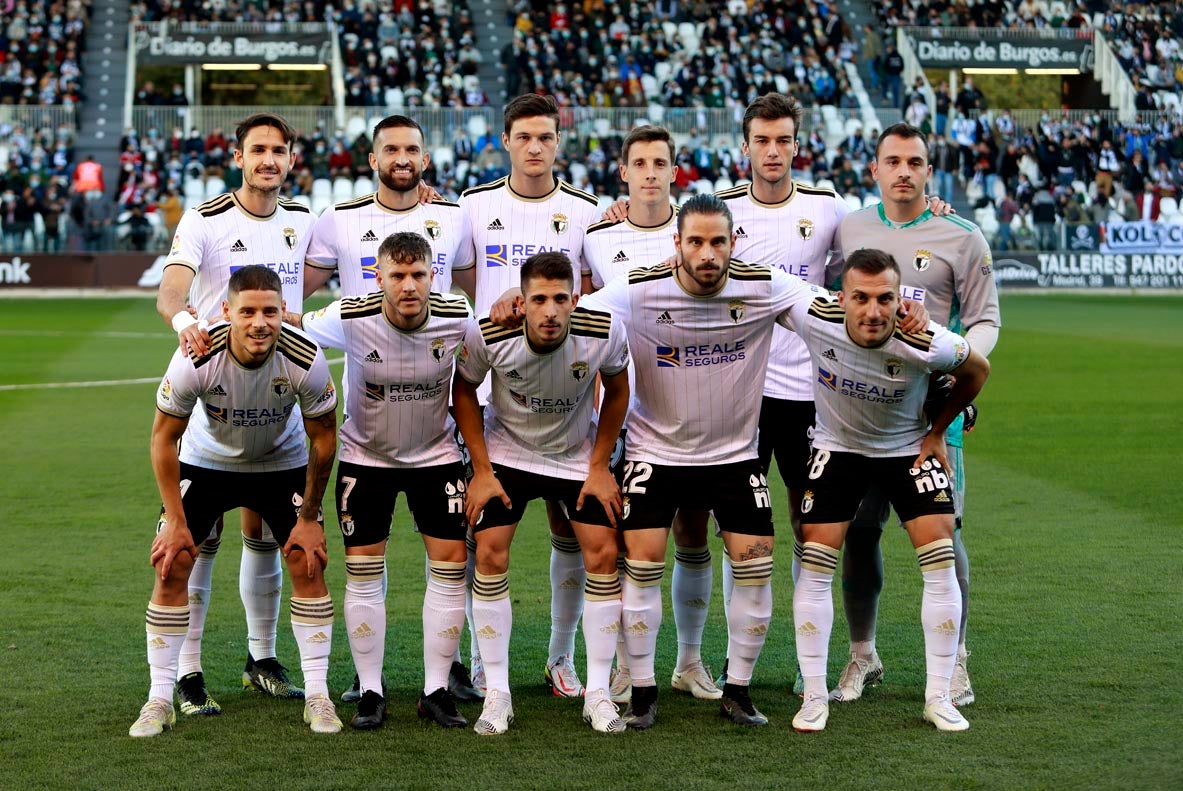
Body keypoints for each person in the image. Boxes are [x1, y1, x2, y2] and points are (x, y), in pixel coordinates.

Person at [582, 194, 817, 730]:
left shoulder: (763, 287)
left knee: (755, 568)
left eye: (717, 242)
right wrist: (509, 308)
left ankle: (738, 689)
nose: (707, 253)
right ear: (677, 245)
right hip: (654, 453)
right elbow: (573, 317)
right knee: (640, 568)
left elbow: (829, 312)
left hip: (734, 456)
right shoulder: (640, 290)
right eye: (696, 242)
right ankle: (641, 692)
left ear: (735, 243)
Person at [302, 113, 479, 703]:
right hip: (366, 453)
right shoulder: (349, 311)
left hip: (436, 454)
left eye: (419, 275)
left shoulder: (459, 312)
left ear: (436, 276)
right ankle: (371, 689)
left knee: (450, 567)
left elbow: (493, 345)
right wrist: (227, 324)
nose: (409, 285)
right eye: (397, 275)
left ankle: (436, 688)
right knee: (364, 570)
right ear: (379, 276)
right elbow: (292, 326)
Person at [129, 265, 341, 738]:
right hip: (207, 461)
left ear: (283, 313)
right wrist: (175, 521)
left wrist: (308, 516)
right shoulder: (196, 355)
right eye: (248, 311)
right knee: (173, 559)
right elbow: (163, 440)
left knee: (309, 560)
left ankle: (319, 697)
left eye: (270, 311)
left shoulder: (306, 357)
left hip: (279, 462)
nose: (260, 323)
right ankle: (159, 698)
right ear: (227, 311)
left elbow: (324, 439)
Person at [786, 248, 990, 733]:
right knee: (816, 561)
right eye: (860, 298)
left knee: (940, 557)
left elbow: (977, 370)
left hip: (906, 449)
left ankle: (938, 696)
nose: (872, 311)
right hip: (839, 446)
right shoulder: (812, 314)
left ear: (901, 301)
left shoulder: (925, 339)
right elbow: (755, 280)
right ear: (841, 298)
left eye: (884, 299)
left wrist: (939, 430)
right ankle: (815, 696)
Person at [154, 112, 318, 716]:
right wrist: (186, 322)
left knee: (265, 534)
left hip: (279, 402)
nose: (269, 160)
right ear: (239, 156)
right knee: (201, 538)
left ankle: (261, 659)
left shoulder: (305, 221)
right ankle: (190, 672)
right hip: (214, 399)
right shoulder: (206, 218)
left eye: (279, 150)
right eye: (258, 150)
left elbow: (363, 247)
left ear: (291, 159)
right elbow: (171, 289)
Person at [835, 123, 1001, 708]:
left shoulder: (962, 235)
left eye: (915, 161)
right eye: (893, 160)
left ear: (930, 171)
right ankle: (862, 655)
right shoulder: (848, 226)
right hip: (859, 408)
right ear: (874, 169)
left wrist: (957, 360)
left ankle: (956, 660)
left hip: (930, 411)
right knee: (858, 531)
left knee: (945, 533)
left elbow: (985, 319)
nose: (904, 170)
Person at [457, 94, 603, 698]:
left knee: (569, 529)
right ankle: (471, 658)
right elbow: (460, 279)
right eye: (524, 137)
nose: (535, 147)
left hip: (564, 392)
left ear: (557, 141)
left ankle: (560, 658)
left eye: (545, 136)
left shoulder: (588, 210)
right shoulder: (473, 205)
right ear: (506, 140)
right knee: (481, 529)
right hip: (491, 388)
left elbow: (591, 294)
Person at [453, 251, 631, 735]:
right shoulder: (489, 334)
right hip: (509, 452)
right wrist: (483, 470)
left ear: (575, 299)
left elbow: (618, 392)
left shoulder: (601, 330)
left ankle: (596, 691)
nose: (550, 311)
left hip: (575, 455)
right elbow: (463, 393)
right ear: (521, 302)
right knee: (489, 551)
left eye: (559, 299)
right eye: (538, 300)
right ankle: (497, 694)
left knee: (604, 553)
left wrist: (598, 466)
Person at [582, 124, 723, 704]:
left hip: (691, 411)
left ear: (674, 170)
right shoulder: (597, 235)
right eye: (638, 162)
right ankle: (624, 663)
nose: (648, 172)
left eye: (659, 162)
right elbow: (584, 311)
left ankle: (689, 660)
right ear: (622, 171)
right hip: (622, 411)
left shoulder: (698, 232)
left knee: (693, 533)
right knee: (621, 541)